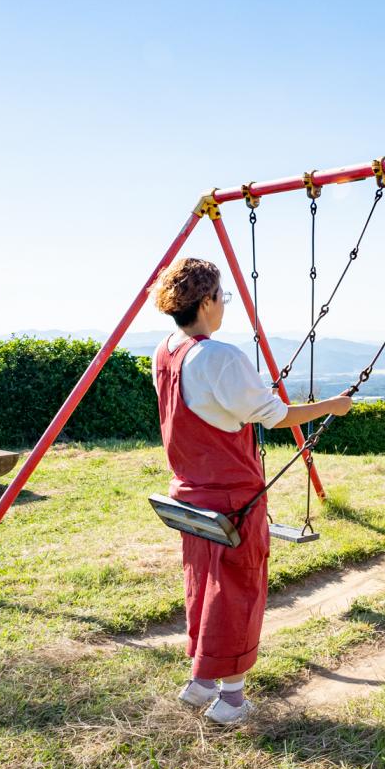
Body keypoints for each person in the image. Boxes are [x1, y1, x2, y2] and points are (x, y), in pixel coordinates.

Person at [149, 257, 351, 724]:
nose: (225, 306)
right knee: (238, 588)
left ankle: (200, 682)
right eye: (222, 297)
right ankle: (232, 699)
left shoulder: (166, 350)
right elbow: (275, 415)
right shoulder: (219, 357)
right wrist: (332, 407)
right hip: (232, 495)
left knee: (202, 585)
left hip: (189, 491)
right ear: (206, 301)